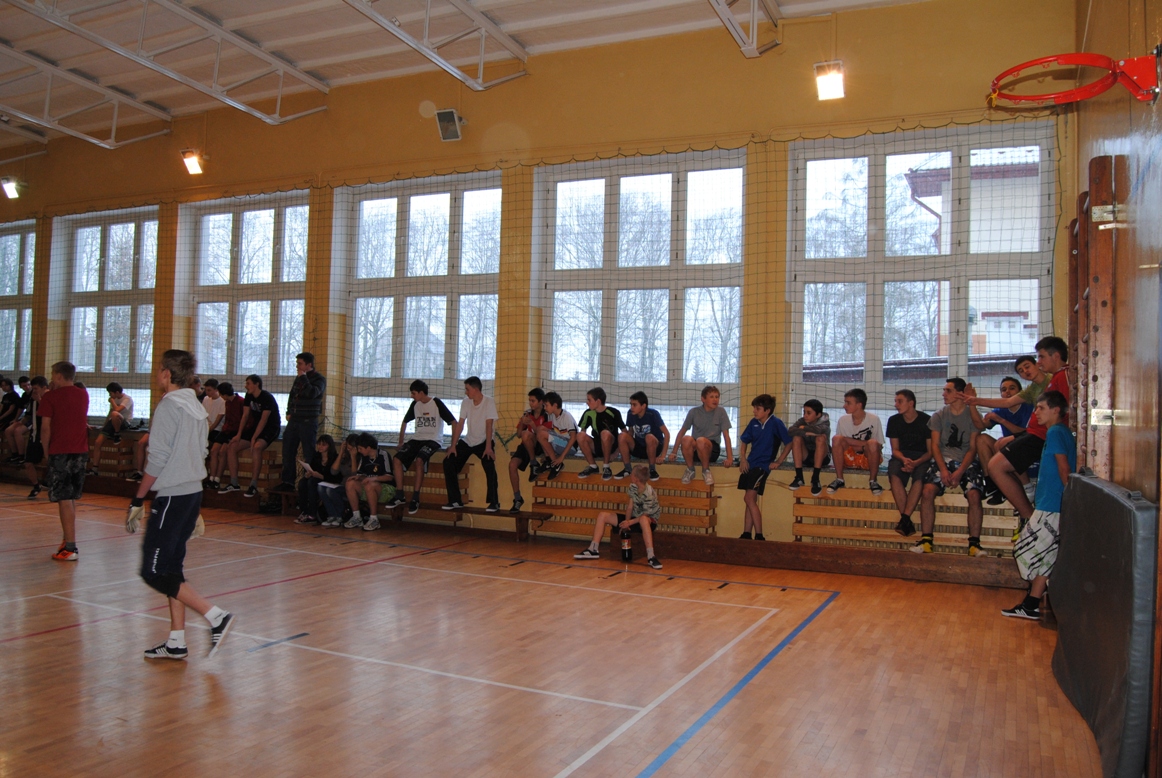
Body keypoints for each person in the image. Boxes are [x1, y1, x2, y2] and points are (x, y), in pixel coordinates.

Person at [128, 349, 234, 660]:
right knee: (172, 569)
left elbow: (157, 460)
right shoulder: (196, 405)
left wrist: (138, 498)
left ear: (166, 373)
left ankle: (216, 616)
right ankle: (176, 641)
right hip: (190, 495)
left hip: (173, 496)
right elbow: (199, 453)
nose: (156, 373)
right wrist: (193, 505)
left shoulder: (169, 406)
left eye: (158, 369)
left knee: (153, 571)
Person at [1003, 391, 1076, 619]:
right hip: (1053, 502)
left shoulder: (1055, 432)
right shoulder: (1059, 432)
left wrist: (1070, 500)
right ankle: (1031, 604)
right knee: (1047, 557)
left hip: (1052, 504)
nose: (1036, 412)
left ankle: (1049, 592)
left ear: (1056, 410)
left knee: (1023, 549)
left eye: (1041, 408)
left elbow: (1064, 468)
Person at [984, 337, 1071, 521]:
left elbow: (1064, 410)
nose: (1039, 362)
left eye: (1041, 358)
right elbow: (1003, 405)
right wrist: (974, 401)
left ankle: (1030, 517)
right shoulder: (1047, 382)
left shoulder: (1060, 377)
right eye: (1021, 371)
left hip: (1042, 435)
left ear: (1056, 356)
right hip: (1036, 434)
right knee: (999, 446)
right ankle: (1027, 491)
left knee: (996, 466)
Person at [911, 378, 987, 556]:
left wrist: (960, 472)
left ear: (960, 394)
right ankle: (926, 541)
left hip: (966, 461)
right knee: (927, 491)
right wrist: (944, 470)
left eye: (948, 391)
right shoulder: (939, 415)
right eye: (944, 390)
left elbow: (973, 448)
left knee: (974, 495)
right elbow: (935, 446)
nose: (944, 394)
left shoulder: (972, 416)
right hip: (943, 460)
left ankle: (974, 544)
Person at [964, 357, 1047, 503]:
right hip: (1010, 448)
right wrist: (972, 402)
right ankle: (993, 484)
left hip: (1028, 449)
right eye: (1004, 390)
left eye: (1012, 388)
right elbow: (980, 425)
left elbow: (1027, 433)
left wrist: (1001, 421)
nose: (1007, 392)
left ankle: (1025, 486)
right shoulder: (1001, 410)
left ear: (1020, 392)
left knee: (1004, 443)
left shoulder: (1030, 405)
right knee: (981, 439)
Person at [39, 361, 89, 561]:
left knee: (64, 498)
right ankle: (67, 539)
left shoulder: (50, 397)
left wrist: (46, 451)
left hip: (60, 452)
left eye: (53, 374)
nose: (51, 378)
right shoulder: (83, 394)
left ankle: (70, 547)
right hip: (81, 452)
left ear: (59, 375)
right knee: (70, 498)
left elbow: (45, 428)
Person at [386, 380, 456, 515]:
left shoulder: (436, 403)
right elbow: (405, 422)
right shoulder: (415, 404)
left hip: (433, 440)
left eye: (413, 393)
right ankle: (399, 495)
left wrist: (453, 445)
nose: (411, 396)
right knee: (397, 459)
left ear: (421, 392)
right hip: (417, 438)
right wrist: (401, 442)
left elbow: (453, 422)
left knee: (419, 460)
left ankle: (415, 497)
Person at [573, 464, 663, 570]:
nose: (630, 476)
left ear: (636, 478)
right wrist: (626, 522)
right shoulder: (633, 487)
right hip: (633, 518)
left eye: (632, 474)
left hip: (648, 521)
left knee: (643, 519)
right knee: (603, 515)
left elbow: (645, 515)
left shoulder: (649, 493)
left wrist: (629, 523)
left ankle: (651, 556)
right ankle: (593, 549)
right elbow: (630, 507)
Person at [737, 393, 792, 541]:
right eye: (754, 408)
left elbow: (789, 442)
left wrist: (779, 461)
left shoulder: (776, 423)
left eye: (758, 408)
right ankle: (746, 533)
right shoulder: (753, 423)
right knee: (750, 500)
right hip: (751, 463)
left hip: (762, 466)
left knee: (749, 498)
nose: (754, 411)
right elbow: (744, 441)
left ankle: (759, 535)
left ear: (767, 410)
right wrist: (743, 459)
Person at [442, 377, 500, 512]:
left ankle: (494, 502)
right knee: (448, 462)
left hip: (484, 441)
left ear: (475, 389)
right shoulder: (466, 402)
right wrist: (453, 445)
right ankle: (455, 500)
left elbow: (489, 425)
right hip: (469, 440)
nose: (466, 392)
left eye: (467, 389)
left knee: (489, 464)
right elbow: (460, 424)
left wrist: (488, 447)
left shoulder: (489, 401)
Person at [273, 352, 326, 493]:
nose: (297, 366)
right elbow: (292, 395)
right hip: (294, 420)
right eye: (297, 363)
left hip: (308, 421)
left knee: (309, 452)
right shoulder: (299, 379)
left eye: (300, 363)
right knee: (288, 451)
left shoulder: (319, 379)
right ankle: (288, 482)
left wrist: (303, 377)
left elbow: (312, 393)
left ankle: (310, 481)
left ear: (309, 364)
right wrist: (288, 411)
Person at [221, 374, 281, 497]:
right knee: (232, 446)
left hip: (270, 427)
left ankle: (253, 485)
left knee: (257, 447)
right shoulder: (249, 396)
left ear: (256, 384)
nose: (246, 386)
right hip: (256, 426)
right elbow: (245, 416)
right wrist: (239, 434)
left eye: (248, 383)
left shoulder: (267, 397)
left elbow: (264, 420)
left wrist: (254, 438)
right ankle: (234, 483)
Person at [885, 389, 932, 537]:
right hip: (902, 456)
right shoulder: (893, 421)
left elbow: (930, 452)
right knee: (894, 474)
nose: (896, 405)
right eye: (895, 401)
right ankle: (906, 519)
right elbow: (895, 450)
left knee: (920, 478)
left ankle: (904, 519)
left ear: (911, 403)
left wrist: (916, 463)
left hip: (922, 457)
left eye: (899, 401)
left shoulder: (926, 420)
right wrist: (904, 460)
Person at [668, 385, 733, 486]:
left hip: (711, 449)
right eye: (711, 397)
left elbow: (726, 436)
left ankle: (706, 470)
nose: (715, 399)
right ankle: (690, 469)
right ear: (703, 399)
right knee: (686, 439)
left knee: (701, 441)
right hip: (696, 449)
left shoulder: (721, 412)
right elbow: (682, 432)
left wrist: (729, 457)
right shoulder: (694, 412)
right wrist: (674, 452)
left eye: (717, 397)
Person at [826, 388, 885, 496]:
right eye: (845, 402)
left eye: (848, 403)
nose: (844, 406)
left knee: (872, 443)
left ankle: (873, 481)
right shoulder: (843, 420)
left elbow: (878, 446)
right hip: (849, 458)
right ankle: (839, 479)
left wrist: (852, 442)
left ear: (859, 405)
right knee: (836, 438)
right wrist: (864, 445)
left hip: (868, 459)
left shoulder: (874, 419)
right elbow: (840, 443)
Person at [508, 387, 551, 512]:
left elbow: (545, 435)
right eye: (529, 401)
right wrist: (522, 422)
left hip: (539, 445)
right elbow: (518, 434)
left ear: (541, 401)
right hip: (526, 444)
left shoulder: (547, 415)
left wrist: (532, 424)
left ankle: (533, 463)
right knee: (512, 465)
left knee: (527, 434)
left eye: (533, 401)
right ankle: (517, 498)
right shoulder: (527, 413)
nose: (531, 404)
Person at [344, 433, 396, 530]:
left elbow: (389, 477)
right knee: (350, 483)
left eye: (360, 448)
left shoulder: (383, 455)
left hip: (386, 489)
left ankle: (374, 519)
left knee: (370, 485)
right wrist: (358, 478)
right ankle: (356, 517)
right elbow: (361, 474)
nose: (359, 451)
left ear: (368, 447)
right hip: (369, 487)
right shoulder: (364, 457)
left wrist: (372, 479)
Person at [576, 387, 626, 481]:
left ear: (598, 401)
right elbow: (582, 433)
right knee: (579, 435)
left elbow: (624, 434)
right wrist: (583, 448)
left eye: (589, 400)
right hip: (597, 446)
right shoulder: (588, 413)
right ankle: (593, 466)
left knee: (605, 433)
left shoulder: (613, 412)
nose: (587, 402)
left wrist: (617, 452)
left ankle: (606, 467)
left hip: (611, 446)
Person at [617, 391, 669, 481]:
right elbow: (630, 432)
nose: (632, 407)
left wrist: (663, 455)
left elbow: (667, 434)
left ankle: (652, 469)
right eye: (631, 404)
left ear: (643, 406)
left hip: (654, 447)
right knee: (622, 435)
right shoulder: (630, 414)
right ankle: (627, 468)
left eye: (634, 405)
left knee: (649, 437)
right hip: (639, 447)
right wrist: (624, 450)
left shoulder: (653, 414)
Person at [87, 382, 135, 476]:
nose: (110, 396)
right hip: (112, 421)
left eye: (111, 393)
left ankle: (117, 434)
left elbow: (117, 410)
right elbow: (111, 413)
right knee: (97, 442)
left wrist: (112, 401)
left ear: (117, 392)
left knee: (115, 414)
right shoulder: (115, 400)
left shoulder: (127, 399)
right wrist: (104, 426)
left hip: (124, 422)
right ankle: (95, 468)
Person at [293, 433, 341, 525]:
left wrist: (321, 476)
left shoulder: (334, 458)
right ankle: (304, 511)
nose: (320, 447)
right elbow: (312, 468)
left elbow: (335, 477)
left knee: (312, 483)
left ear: (329, 446)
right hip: (316, 479)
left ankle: (312, 514)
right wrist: (308, 474)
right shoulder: (316, 456)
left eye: (323, 445)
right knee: (302, 482)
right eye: (319, 444)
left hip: (328, 481)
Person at [787, 399, 831, 495]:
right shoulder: (802, 420)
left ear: (818, 415)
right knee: (796, 438)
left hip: (823, 458)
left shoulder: (825, 421)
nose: (805, 415)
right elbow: (790, 431)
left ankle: (815, 479)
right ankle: (799, 477)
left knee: (820, 439)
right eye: (804, 412)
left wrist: (803, 428)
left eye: (809, 413)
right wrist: (807, 433)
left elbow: (819, 431)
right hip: (806, 456)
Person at [14, 376, 48, 499]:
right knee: (28, 463)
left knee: (51, 460)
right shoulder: (32, 399)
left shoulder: (48, 398)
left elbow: (48, 412)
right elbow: (30, 414)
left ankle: (51, 483)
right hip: (34, 433)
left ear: (44, 388)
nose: (34, 391)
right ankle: (36, 485)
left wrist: (39, 400)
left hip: (46, 434)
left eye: (36, 388)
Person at [206, 382, 243, 489]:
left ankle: (217, 479)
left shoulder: (240, 402)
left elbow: (242, 419)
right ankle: (211, 478)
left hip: (234, 431)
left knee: (222, 452)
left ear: (224, 395)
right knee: (214, 450)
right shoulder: (227, 403)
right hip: (226, 430)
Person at [320, 433, 360, 527]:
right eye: (348, 448)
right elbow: (333, 471)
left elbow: (354, 475)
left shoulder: (359, 458)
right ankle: (332, 515)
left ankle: (339, 516)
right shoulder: (344, 456)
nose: (349, 450)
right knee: (321, 488)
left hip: (353, 487)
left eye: (351, 448)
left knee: (330, 491)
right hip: (342, 484)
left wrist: (353, 457)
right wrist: (341, 452)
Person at [536, 391, 578, 480]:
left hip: (571, 447)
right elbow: (554, 433)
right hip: (561, 442)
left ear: (555, 405)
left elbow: (574, 437)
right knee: (540, 429)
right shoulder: (552, 415)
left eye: (546, 405)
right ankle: (549, 460)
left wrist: (562, 457)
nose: (544, 408)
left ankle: (556, 464)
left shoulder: (566, 416)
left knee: (542, 434)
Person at [201, 378, 225, 444]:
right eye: (206, 390)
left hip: (217, 429)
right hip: (206, 427)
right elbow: (203, 415)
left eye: (209, 390)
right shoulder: (206, 399)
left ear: (216, 390)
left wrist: (207, 431)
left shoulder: (223, 401)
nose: (206, 392)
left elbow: (217, 421)